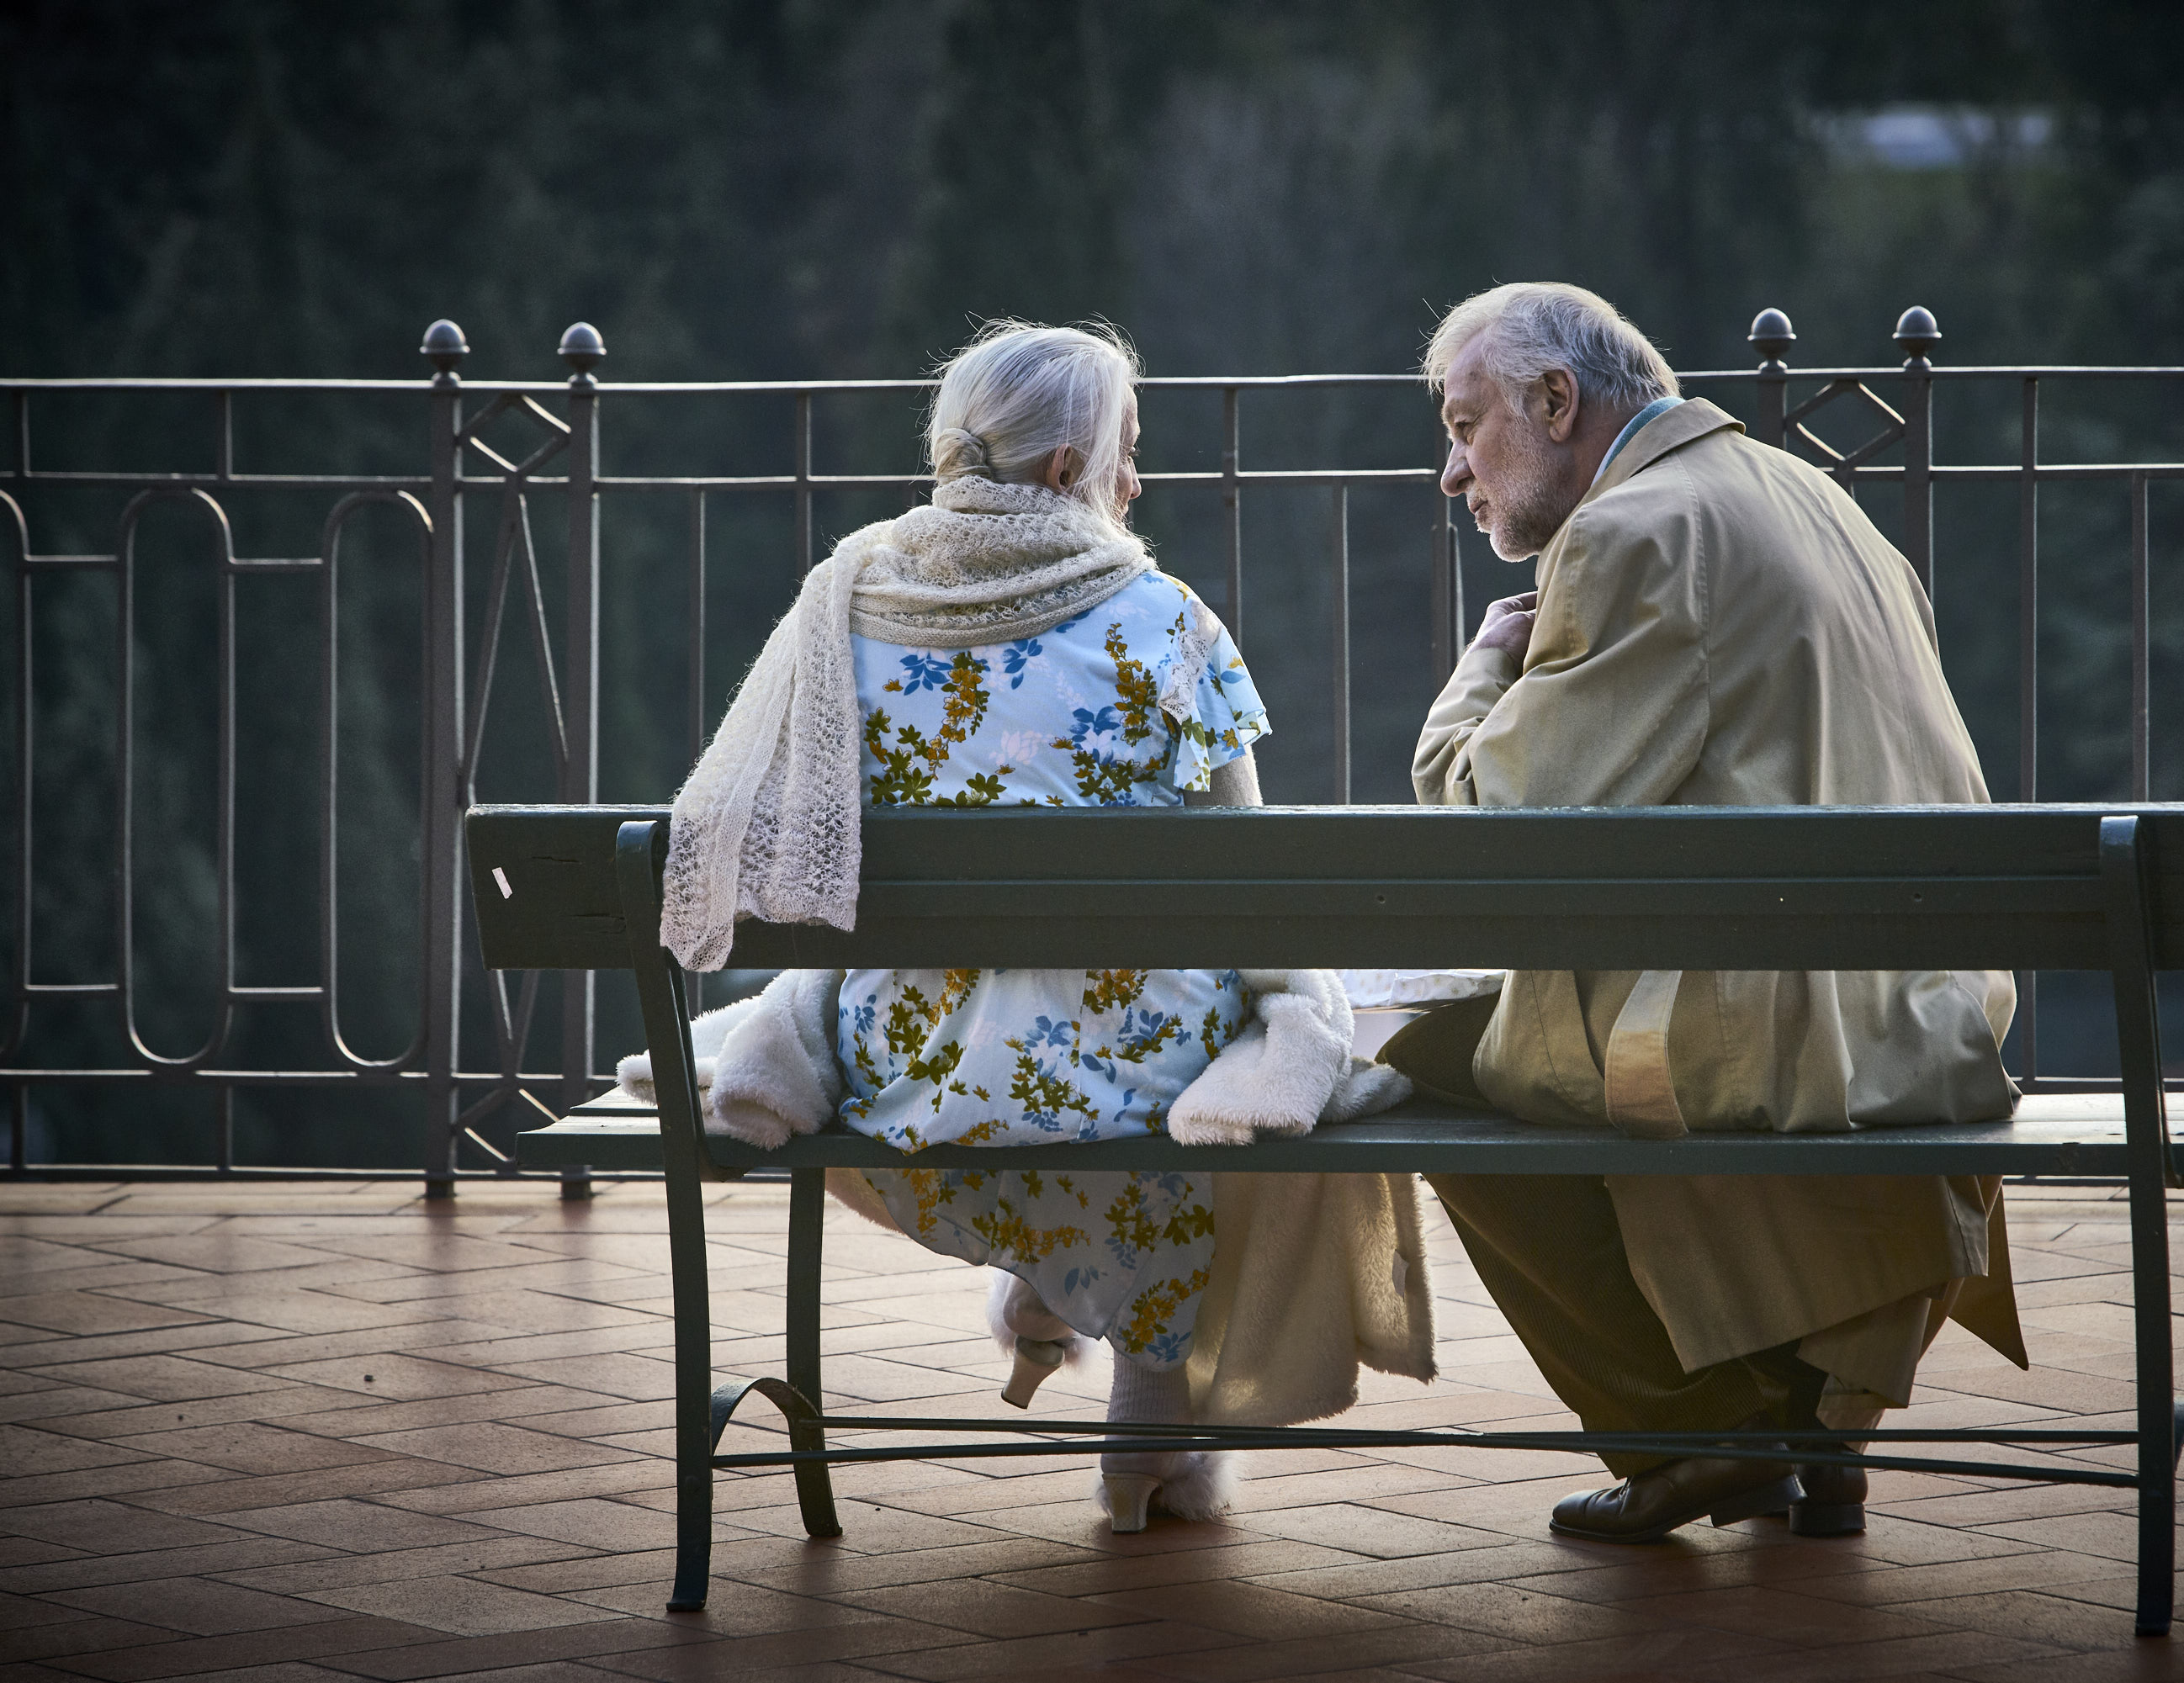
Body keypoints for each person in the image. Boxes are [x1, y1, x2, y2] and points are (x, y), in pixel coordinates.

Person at [641, 321, 1429, 1535]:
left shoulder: (846, 597)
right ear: (1066, 470)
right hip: (1131, 1075)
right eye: (1126, 453)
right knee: (1246, 1038)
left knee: (984, 1024)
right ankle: (1148, 1418)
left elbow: (788, 838)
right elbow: (1251, 875)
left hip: (907, 1064)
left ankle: (1041, 1289)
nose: (1137, 482)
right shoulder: (1168, 619)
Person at [1396, 283, 2026, 1543]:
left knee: (1414, 1068)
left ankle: (1697, 1433)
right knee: (1582, 1015)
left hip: (1799, 1043)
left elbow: (1496, 824)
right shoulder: (1817, 499)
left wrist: (1478, 674)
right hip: (1933, 1021)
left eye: (1467, 427)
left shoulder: (1634, 534)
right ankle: (1804, 1410)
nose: (1453, 472)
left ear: (1557, 402)